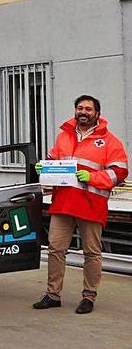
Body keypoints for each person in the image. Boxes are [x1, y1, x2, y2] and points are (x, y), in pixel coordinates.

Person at [32, 95, 128, 314]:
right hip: (63, 203)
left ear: (97, 113)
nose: (83, 112)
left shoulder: (109, 141)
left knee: (91, 253)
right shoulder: (63, 136)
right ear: (75, 110)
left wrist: (93, 177)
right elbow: (54, 161)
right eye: (80, 108)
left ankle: (89, 297)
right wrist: (44, 168)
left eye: (88, 109)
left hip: (91, 204)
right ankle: (52, 294)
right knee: (56, 249)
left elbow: (120, 172)